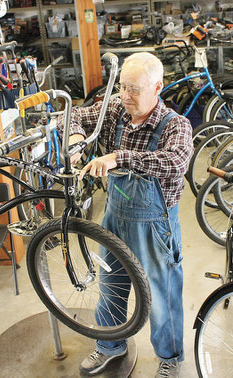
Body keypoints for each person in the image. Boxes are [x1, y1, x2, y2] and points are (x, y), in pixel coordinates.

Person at [58, 52, 193, 378]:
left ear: (157, 87)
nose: (125, 96)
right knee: (111, 285)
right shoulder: (115, 110)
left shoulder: (175, 125)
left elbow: (174, 162)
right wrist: (75, 139)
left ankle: (170, 358)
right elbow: (69, 115)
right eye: (122, 87)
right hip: (115, 218)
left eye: (135, 89)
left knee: (161, 295)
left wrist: (120, 157)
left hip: (155, 227)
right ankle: (110, 346)